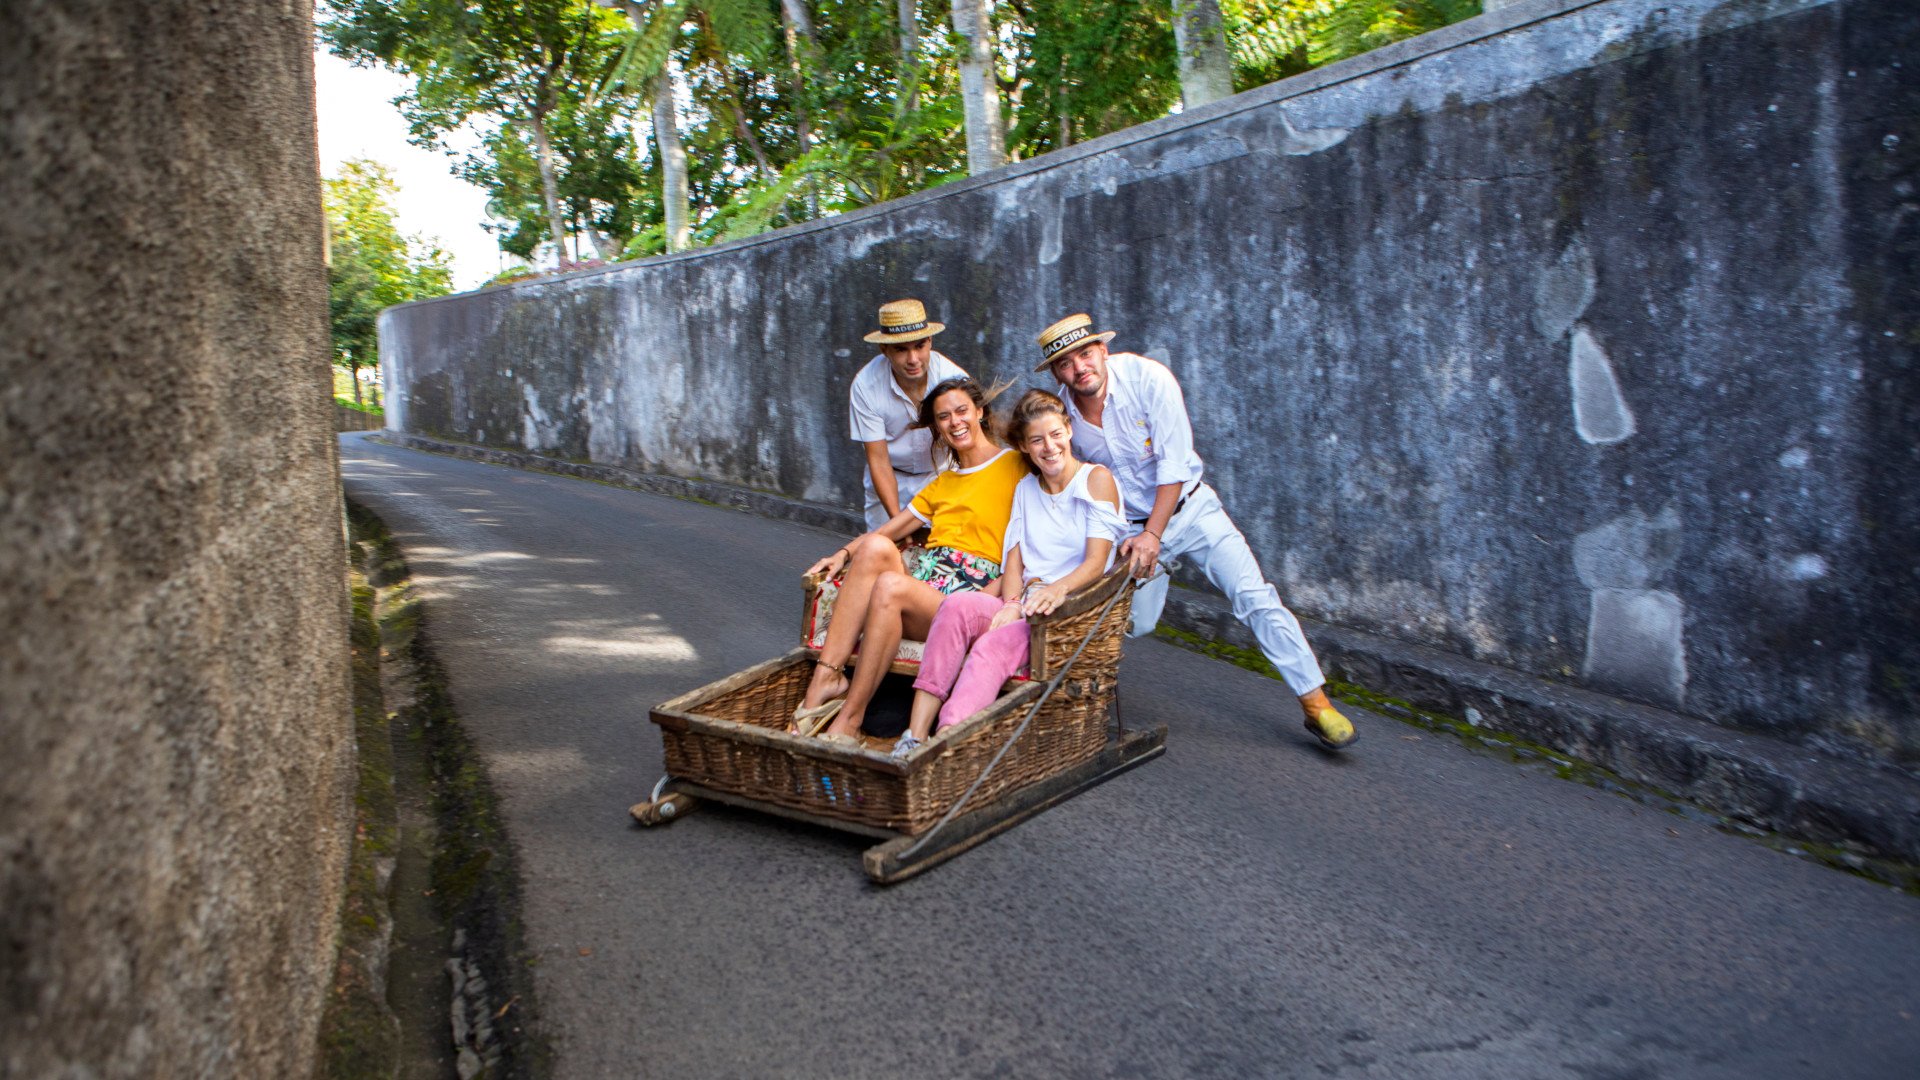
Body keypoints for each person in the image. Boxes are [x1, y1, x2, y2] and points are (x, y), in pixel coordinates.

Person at [1036, 312, 1359, 750]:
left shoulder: (1149, 379)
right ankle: (1079, 698)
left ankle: (1315, 703)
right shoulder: (1062, 417)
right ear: (1056, 373)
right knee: (1132, 622)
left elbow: (1173, 464)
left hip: (1191, 510)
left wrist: (1154, 535)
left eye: (1085, 354)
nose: (1079, 368)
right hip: (1130, 532)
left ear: (1103, 350)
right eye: (1066, 363)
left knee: (1253, 596)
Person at [888, 389, 1127, 759]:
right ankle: (914, 735)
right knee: (956, 607)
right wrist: (1012, 602)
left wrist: (1056, 590)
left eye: (1055, 434)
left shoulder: (1095, 479)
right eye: (1037, 440)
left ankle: (948, 739)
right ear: (1025, 447)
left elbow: (1097, 563)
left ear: (1068, 430)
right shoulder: (1027, 488)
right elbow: (1014, 558)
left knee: (991, 646)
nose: (1049, 447)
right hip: (1027, 601)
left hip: (1067, 608)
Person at [795, 377, 1027, 744]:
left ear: (980, 412)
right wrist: (842, 554)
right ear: (937, 428)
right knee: (875, 547)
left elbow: (1036, 535)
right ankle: (825, 679)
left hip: (969, 599)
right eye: (944, 417)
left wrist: (999, 593)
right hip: (926, 586)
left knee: (890, 586)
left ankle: (849, 721)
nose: (955, 422)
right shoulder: (944, 482)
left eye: (962, 411)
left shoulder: (1015, 464)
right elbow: (887, 531)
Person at [849, 299, 969, 530]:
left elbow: (971, 444)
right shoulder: (866, 385)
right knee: (882, 547)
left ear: (930, 342)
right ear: (884, 349)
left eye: (920, 346)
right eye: (901, 349)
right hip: (890, 476)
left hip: (943, 475)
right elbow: (878, 460)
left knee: (945, 548)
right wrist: (897, 524)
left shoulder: (953, 378)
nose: (913, 359)